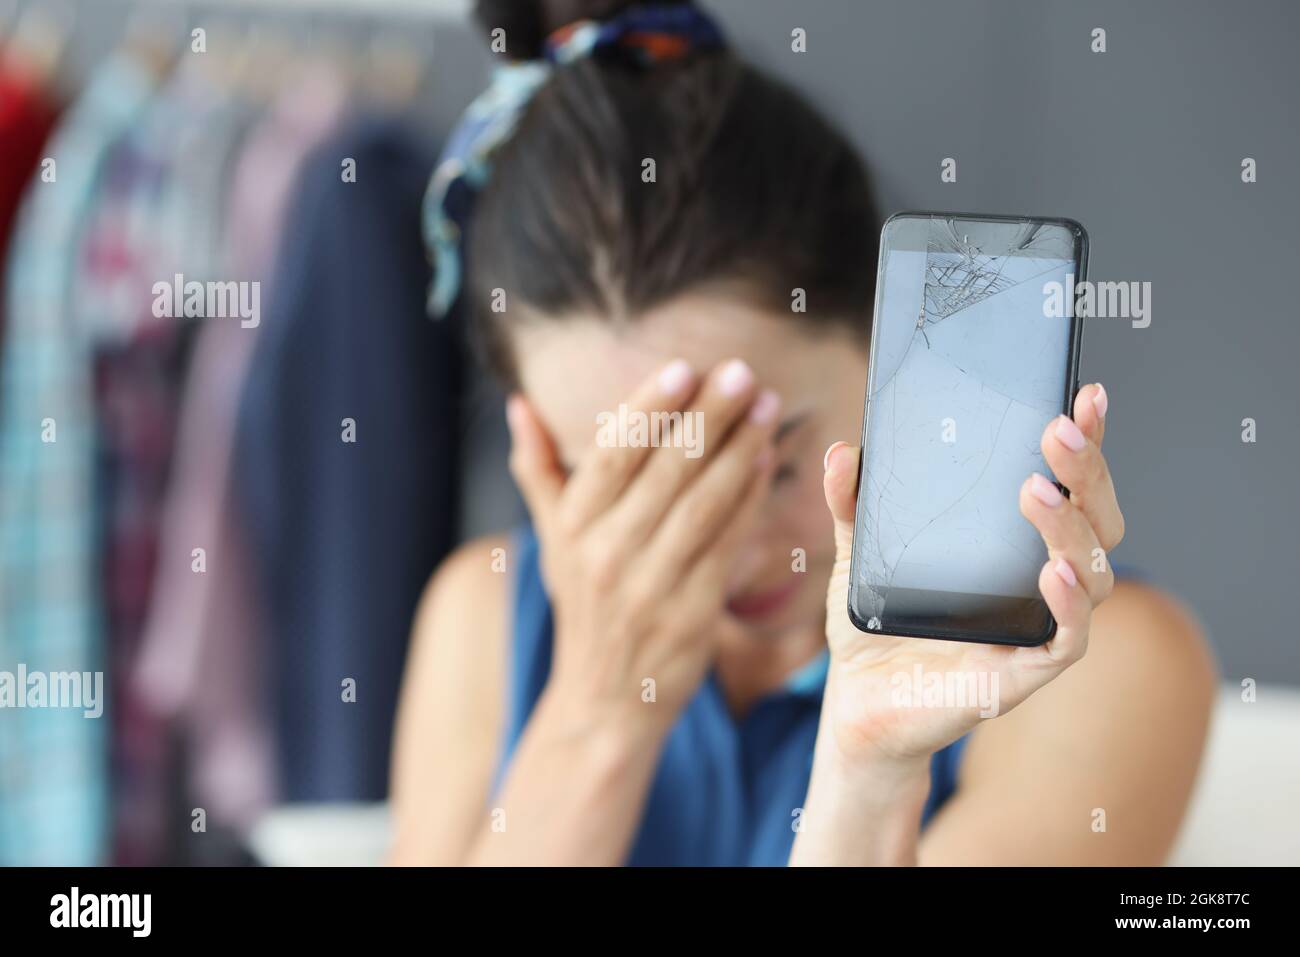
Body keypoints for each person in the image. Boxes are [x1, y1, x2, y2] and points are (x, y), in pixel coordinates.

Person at [389, 0, 1216, 866]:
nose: (735, 549)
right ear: (538, 452)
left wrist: (866, 775)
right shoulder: (481, 620)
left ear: (885, 342)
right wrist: (598, 714)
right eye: (633, 487)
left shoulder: (1098, 667)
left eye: (776, 464)